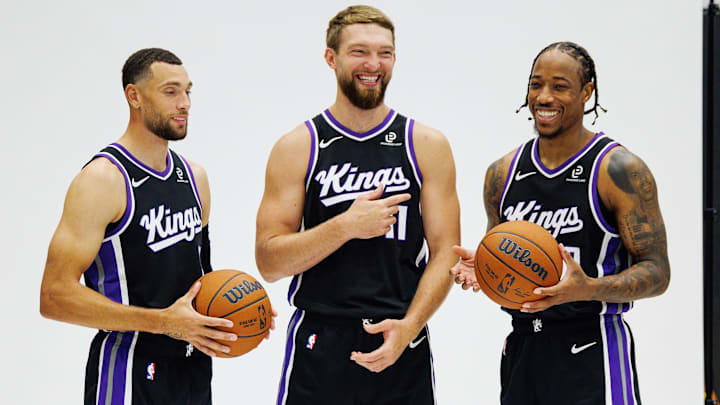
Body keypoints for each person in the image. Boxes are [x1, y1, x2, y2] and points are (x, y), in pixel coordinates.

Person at [39, 48, 273, 405]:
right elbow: (55, 297)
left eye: (187, 91)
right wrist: (164, 322)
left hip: (193, 372)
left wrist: (236, 313)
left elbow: (200, 282)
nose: (185, 103)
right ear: (134, 96)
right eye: (170, 91)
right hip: (130, 372)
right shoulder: (103, 180)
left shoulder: (195, 177)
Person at [255, 5, 460, 404]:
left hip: (402, 336)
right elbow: (269, 261)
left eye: (385, 53)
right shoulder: (299, 147)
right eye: (359, 51)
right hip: (320, 341)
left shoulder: (425, 145)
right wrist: (345, 226)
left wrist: (411, 325)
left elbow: (445, 253)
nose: (373, 63)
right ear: (331, 58)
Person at [450, 42, 670, 404]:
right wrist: (486, 271)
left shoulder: (617, 170)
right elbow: (513, 272)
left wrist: (586, 288)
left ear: (587, 92)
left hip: (592, 348)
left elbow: (658, 273)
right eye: (536, 84)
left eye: (560, 86)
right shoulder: (502, 173)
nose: (544, 96)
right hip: (522, 348)